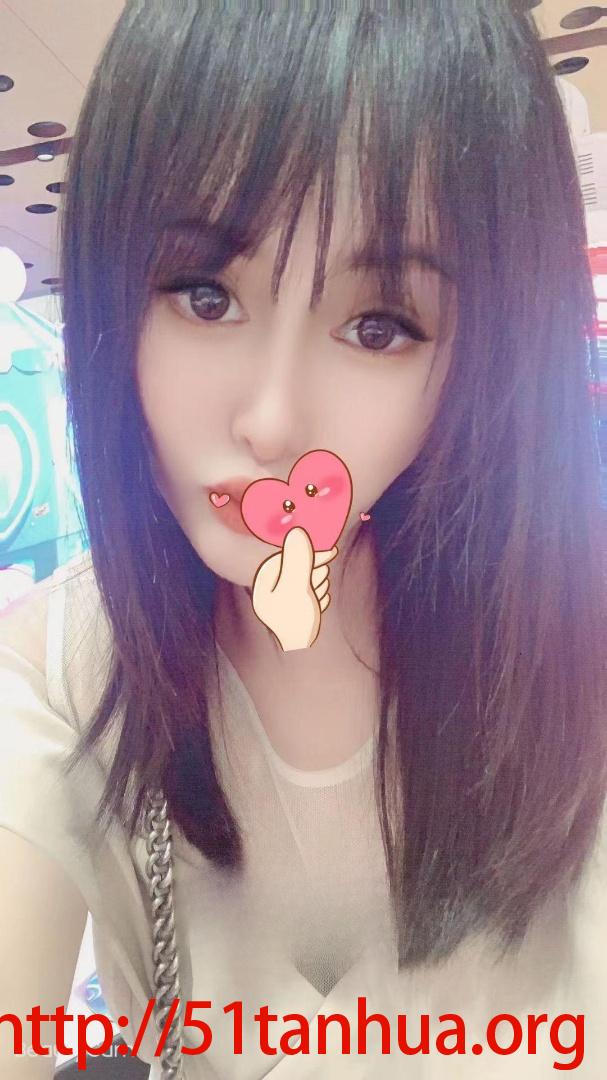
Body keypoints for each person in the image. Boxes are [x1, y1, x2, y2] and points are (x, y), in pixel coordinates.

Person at [1, 1, 606, 1077]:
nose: (271, 420)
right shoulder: (58, 666)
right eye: (204, 295)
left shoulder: (576, 653)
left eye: (378, 327)